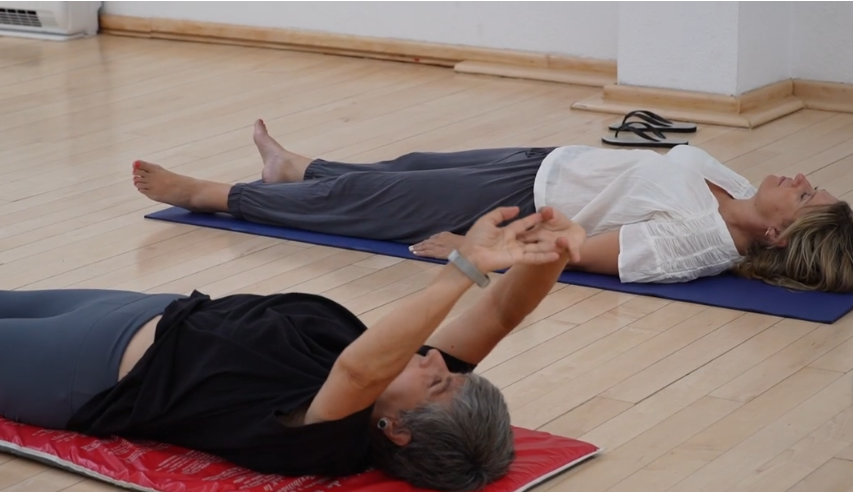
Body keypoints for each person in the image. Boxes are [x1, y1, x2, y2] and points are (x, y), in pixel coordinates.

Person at [0, 206, 586, 492]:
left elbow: (358, 371)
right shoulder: (408, 378)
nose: (437, 360)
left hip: (81, 370)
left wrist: (463, 268)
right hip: (149, 311)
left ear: (397, 430)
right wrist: (556, 250)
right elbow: (502, 313)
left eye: (439, 381)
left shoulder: (332, 439)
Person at [132, 120, 853, 292]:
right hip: (543, 162)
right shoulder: (737, 189)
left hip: (512, 201)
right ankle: (293, 167)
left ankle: (208, 194)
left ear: (779, 233)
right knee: (406, 167)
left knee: (362, 202)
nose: (797, 176)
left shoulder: (697, 244)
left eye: (804, 192)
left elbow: (574, 252)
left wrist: (478, 250)